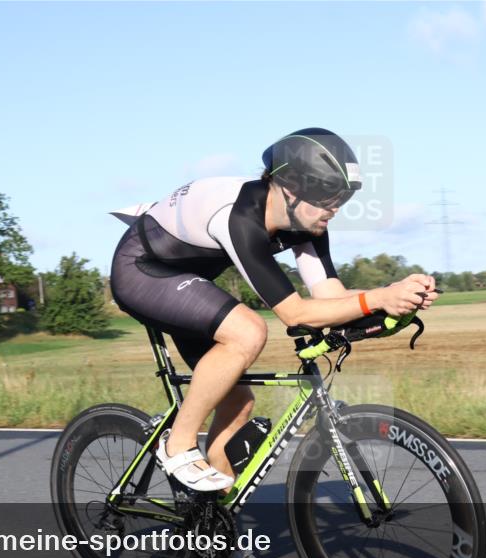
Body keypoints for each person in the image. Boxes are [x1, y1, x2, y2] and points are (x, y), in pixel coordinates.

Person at [109, 128, 438, 491]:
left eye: (341, 200)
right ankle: (177, 445)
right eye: (328, 198)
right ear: (290, 188)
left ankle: (213, 526)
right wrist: (376, 298)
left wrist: (393, 298)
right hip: (143, 270)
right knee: (248, 331)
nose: (335, 209)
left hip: (188, 281)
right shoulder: (239, 217)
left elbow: (329, 295)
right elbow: (294, 314)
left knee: (238, 407)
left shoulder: (308, 222)